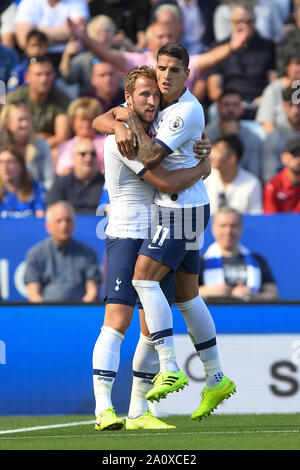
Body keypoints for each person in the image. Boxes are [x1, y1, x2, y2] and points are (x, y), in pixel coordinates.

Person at [95, 45, 236, 424]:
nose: (166, 76)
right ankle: (216, 377)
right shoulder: (162, 106)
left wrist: (128, 125)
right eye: (162, 69)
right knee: (189, 297)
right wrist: (119, 120)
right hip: (187, 207)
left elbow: (154, 159)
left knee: (143, 279)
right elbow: (98, 120)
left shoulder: (184, 110)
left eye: (175, 69)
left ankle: (170, 365)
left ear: (187, 73)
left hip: (180, 208)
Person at [67, 16, 251, 100]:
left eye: (170, 36)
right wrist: (83, 38)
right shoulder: (138, 62)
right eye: (161, 37)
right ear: (148, 40)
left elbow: (210, 58)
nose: (166, 40)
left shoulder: (184, 62)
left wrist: (232, 47)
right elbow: (107, 54)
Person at [207, 3, 278, 119]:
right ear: (231, 23)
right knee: (214, 111)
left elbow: (273, 83)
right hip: (228, 102)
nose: (245, 26)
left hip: (259, 102)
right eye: (239, 22)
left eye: (249, 22)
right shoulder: (219, 49)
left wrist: (265, 98)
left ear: (255, 22)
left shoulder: (268, 47)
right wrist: (234, 102)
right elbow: (214, 90)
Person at [24, 200, 101, 302]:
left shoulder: (88, 253)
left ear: (73, 224)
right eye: (58, 221)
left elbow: (92, 292)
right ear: (48, 226)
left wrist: (79, 312)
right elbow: (33, 295)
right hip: (46, 313)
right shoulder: (35, 254)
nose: (64, 225)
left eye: (68, 220)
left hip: (80, 313)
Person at [198, 206, 278, 300]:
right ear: (213, 229)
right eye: (223, 226)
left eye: (233, 226)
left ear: (241, 228)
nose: (228, 231)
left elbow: (273, 295)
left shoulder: (258, 260)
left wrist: (251, 295)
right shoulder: (200, 262)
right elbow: (183, 295)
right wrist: (208, 291)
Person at [6, 56, 72, 154]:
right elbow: (10, 133)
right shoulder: (15, 98)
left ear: (54, 76)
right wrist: (43, 137)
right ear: (27, 77)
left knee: (57, 152)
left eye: (48, 74)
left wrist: (35, 143)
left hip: (48, 149)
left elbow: (62, 137)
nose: (44, 79)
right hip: (19, 149)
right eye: (38, 74)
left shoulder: (61, 98)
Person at [205, 89, 262, 179]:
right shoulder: (206, 134)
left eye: (235, 105)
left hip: (244, 185)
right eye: (226, 105)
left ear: (242, 109)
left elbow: (254, 172)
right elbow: (204, 168)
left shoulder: (253, 138)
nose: (231, 109)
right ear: (218, 108)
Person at [14, 0, 89, 69]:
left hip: (70, 56)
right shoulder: (28, 3)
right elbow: (23, 40)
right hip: (36, 58)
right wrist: (64, 36)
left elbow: (78, 32)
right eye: (42, 44)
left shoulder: (77, 2)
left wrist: (37, 31)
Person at [59, 15, 121, 97]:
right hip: (89, 102)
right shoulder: (82, 59)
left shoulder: (121, 56)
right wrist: (66, 55)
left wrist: (130, 46)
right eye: (99, 32)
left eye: (107, 31)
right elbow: (68, 78)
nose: (103, 35)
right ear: (90, 37)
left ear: (113, 33)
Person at [204, 134, 263, 215]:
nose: (211, 155)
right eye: (213, 149)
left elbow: (255, 219)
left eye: (218, 150)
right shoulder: (203, 179)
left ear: (233, 158)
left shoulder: (252, 184)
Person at [0, 101, 54, 189]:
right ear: (8, 123)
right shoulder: (1, 147)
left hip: (36, 197)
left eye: (27, 119)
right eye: (20, 120)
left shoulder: (41, 145)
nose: (25, 124)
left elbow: (49, 180)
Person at [46, 138, 105, 214]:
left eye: (93, 154)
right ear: (73, 157)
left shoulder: (107, 184)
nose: (88, 158)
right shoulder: (61, 184)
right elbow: (53, 212)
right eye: (83, 154)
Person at [256, 41, 300, 135]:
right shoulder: (273, 90)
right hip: (281, 146)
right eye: (297, 63)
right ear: (286, 67)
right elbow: (268, 127)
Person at [55, 97, 105, 176]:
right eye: (82, 119)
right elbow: (63, 172)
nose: (86, 124)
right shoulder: (66, 146)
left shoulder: (107, 141)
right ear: (73, 122)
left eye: (90, 119)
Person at [262, 85, 300, 182]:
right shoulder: (273, 136)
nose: (296, 111)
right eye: (291, 105)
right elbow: (269, 176)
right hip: (284, 192)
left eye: (299, 105)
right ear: (284, 106)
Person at [0, 146, 46, 218]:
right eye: (1, 162)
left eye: (10, 162)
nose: (4, 166)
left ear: (21, 165)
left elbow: (41, 218)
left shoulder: (36, 188)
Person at [264, 136, 300, 213]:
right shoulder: (272, 186)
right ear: (283, 158)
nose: (298, 159)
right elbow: (271, 220)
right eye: (294, 154)